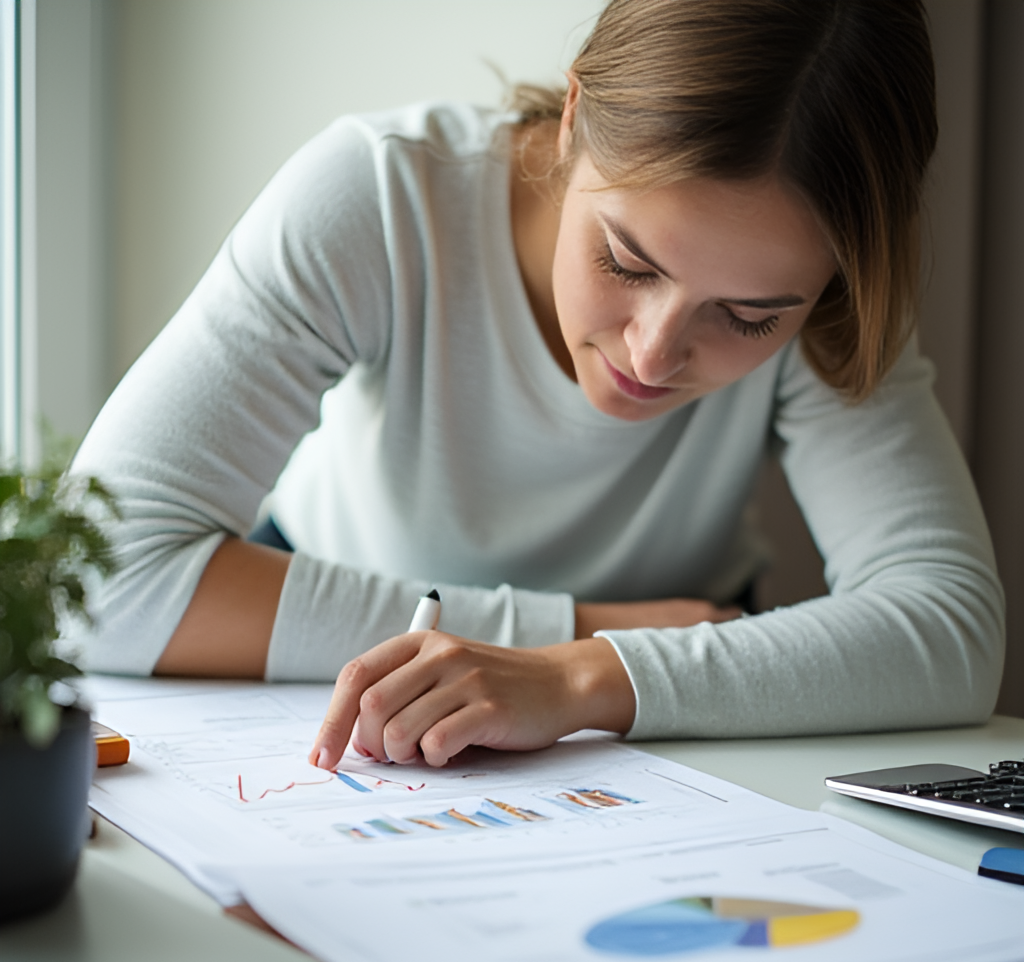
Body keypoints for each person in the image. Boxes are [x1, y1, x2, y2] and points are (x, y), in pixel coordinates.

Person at [73, 0, 1003, 770]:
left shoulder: (832, 297)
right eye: (626, 261)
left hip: (674, 678)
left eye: (749, 317)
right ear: (571, 119)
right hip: (332, 632)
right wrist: (576, 632)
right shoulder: (384, 196)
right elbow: (102, 578)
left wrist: (579, 676)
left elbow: (950, 630)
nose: (653, 355)